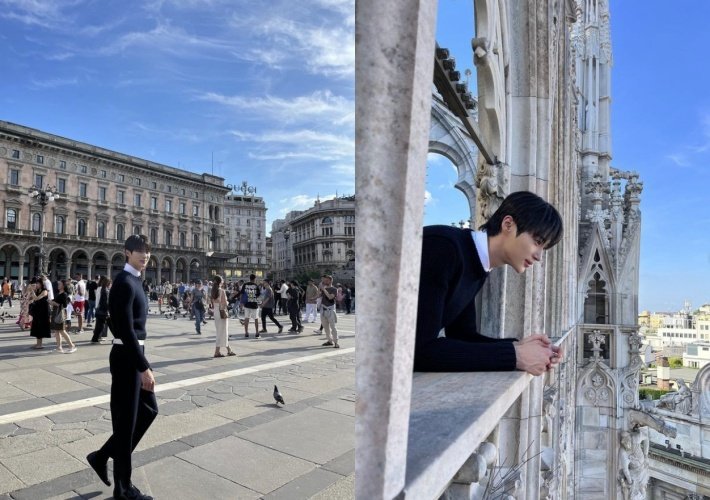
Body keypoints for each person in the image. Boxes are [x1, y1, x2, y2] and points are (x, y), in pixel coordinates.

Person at [414, 191, 564, 374]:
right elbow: (419, 350)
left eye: (544, 247)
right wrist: (516, 356)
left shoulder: (475, 262)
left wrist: (522, 347)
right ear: (508, 224)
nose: (539, 256)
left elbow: (463, 337)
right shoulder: (444, 248)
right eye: (537, 241)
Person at [86, 235, 157, 500]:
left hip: (134, 351)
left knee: (149, 410)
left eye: (148, 251)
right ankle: (123, 489)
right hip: (127, 355)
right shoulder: (124, 282)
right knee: (126, 423)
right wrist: (142, 366)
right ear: (126, 253)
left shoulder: (136, 280)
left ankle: (102, 455)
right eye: (139, 251)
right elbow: (124, 327)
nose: (145, 255)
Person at [210, 275, 236, 358]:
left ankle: (229, 350)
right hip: (221, 312)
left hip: (216, 312)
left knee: (221, 332)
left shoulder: (213, 290)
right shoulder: (221, 291)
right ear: (220, 282)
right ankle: (217, 352)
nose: (223, 282)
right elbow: (224, 303)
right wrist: (228, 302)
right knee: (222, 332)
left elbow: (212, 302)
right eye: (222, 281)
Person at [50, 279, 77, 353]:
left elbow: (64, 305)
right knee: (57, 331)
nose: (58, 285)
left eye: (60, 284)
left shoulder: (64, 294)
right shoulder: (59, 293)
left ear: (63, 285)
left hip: (60, 313)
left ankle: (72, 345)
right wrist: (52, 302)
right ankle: (59, 347)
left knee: (62, 331)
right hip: (56, 312)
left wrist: (54, 303)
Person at [28, 278, 50, 349]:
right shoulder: (37, 291)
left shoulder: (45, 291)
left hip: (43, 312)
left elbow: (37, 298)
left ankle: (40, 345)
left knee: (40, 327)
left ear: (41, 284)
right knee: (36, 326)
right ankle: (38, 343)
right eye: (36, 283)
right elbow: (32, 298)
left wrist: (32, 291)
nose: (36, 285)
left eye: (38, 283)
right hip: (38, 311)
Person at [319, 275, 340, 348]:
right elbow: (318, 296)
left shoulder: (334, 289)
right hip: (323, 309)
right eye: (324, 280)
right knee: (325, 327)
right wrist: (320, 289)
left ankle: (336, 342)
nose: (325, 281)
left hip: (330, 310)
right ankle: (329, 341)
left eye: (326, 280)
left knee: (333, 327)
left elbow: (330, 297)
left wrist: (324, 290)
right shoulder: (323, 288)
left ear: (331, 281)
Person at [91, 277, 112, 344]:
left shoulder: (103, 289)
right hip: (103, 310)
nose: (111, 284)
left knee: (100, 326)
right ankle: (118, 338)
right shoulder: (103, 290)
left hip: (101, 310)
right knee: (109, 325)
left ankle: (95, 339)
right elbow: (103, 301)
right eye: (110, 283)